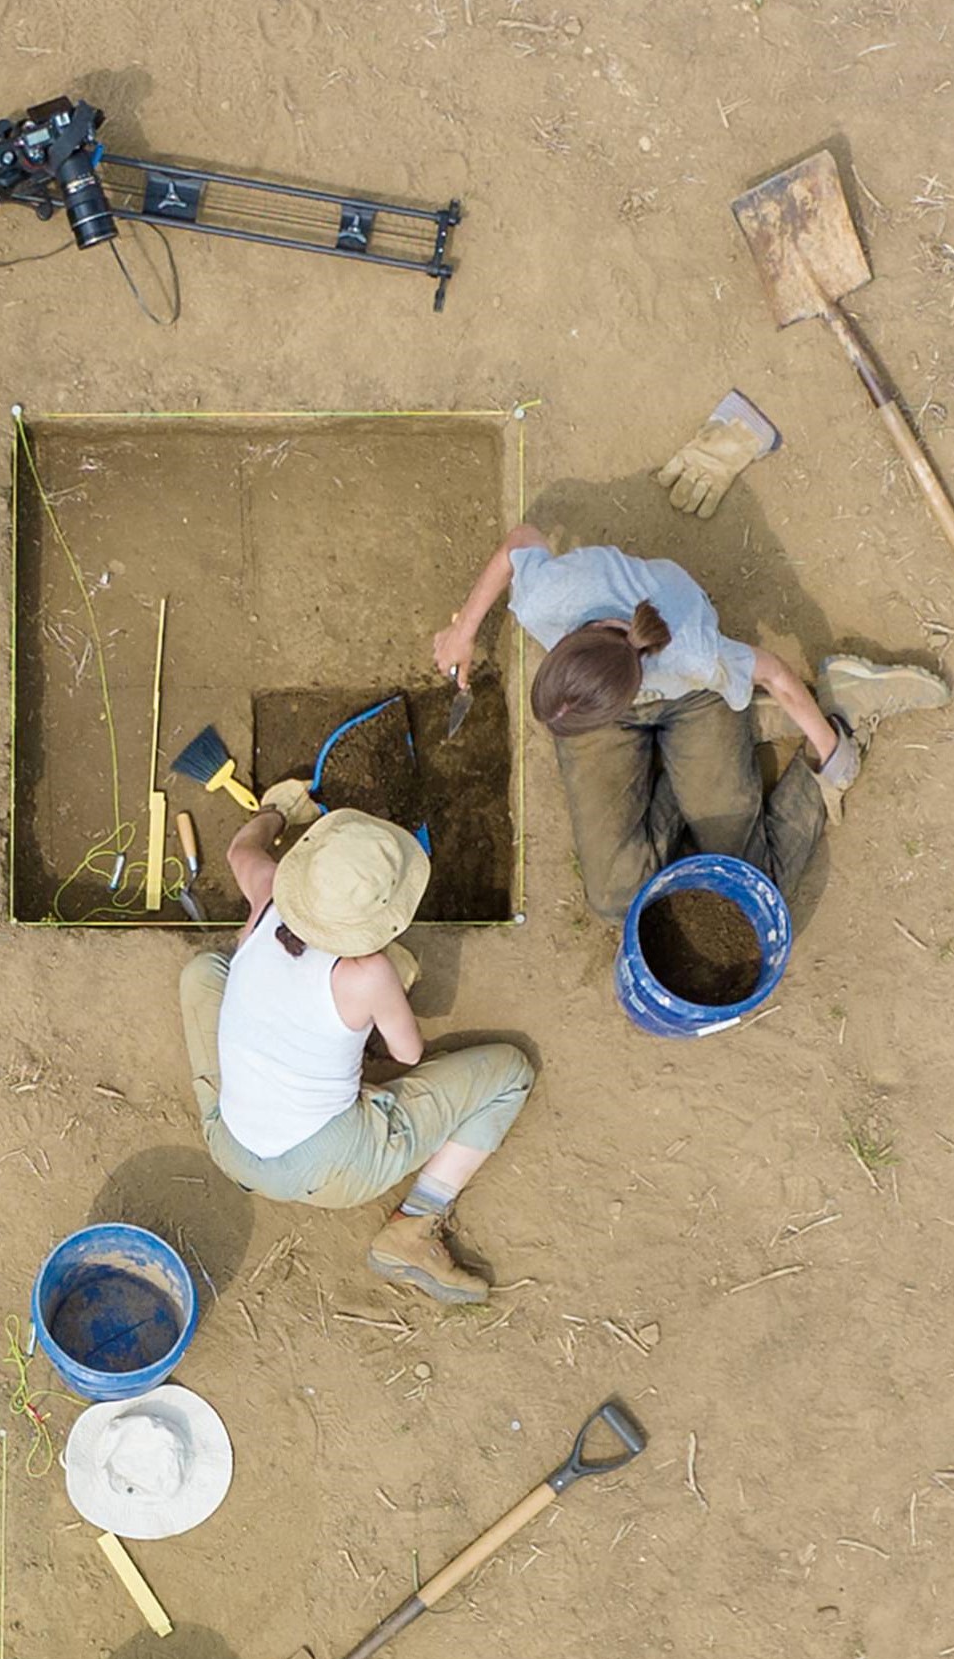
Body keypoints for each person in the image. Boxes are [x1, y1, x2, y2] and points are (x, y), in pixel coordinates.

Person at [434, 518, 948, 923]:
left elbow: (776, 674)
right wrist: (465, 630)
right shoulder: (548, 599)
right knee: (616, 900)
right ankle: (716, 753)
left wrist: (831, 752)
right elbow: (519, 541)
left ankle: (846, 704)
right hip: (605, 695)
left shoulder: (695, 653)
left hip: (695, 699)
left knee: (748, 882)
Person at [178, 800, 535, 1307]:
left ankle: (260, 1165)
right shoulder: (369, 973)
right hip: (331, 1169)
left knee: (205, 974)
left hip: (231, 1142)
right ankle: (414, 1227)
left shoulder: (267, 896)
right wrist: (382, 1000)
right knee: (510, 1074)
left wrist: (277, 812)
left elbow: (242, 847)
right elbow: (408, 1053)